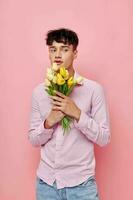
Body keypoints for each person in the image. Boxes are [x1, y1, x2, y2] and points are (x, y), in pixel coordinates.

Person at [28, 28, 111, 200]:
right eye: (53, 49)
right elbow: (33, 139)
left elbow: (104, 138)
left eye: (64, 49)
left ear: (75, 53)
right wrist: (48, 123)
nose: (57, 54)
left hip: (82, 187)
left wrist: (78, 114)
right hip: (46, 184)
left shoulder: (93, 90)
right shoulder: (39, 93)